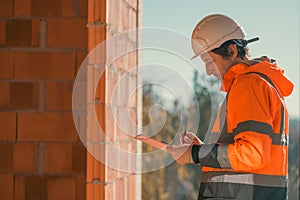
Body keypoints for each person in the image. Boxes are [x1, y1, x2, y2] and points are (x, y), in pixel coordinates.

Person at [166, 14, 294, 200]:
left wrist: (195, 154)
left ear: (232, 50)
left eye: (210, 62)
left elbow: (253, 154)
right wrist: (203, 149)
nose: (208, 71)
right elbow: (248, 153)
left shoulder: (248, 85)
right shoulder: (259, 84)